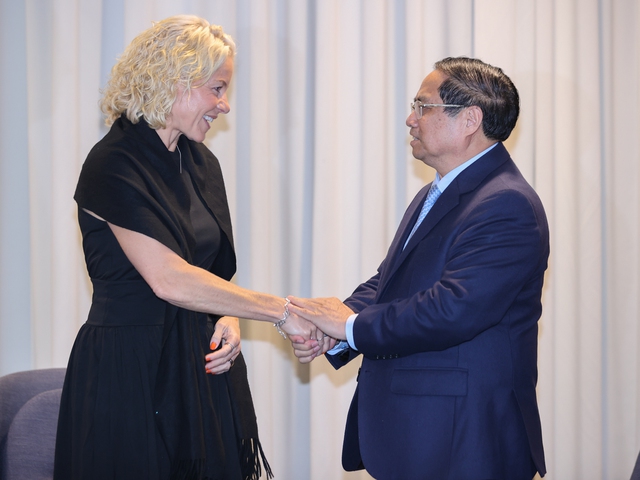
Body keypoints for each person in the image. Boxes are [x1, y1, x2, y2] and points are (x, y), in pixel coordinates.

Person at [54, 15, 323, 480]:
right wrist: (281, 311)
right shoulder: (112, 163)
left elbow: (213, 273)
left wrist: (229, 319)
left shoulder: (201, 162)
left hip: (200, 369)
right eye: (217, 88)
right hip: (130, 370)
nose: (224, 105)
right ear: (175, 81)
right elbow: (170, 279)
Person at [288, 57, 549, 479]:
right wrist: (334, 329)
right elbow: (391, 281)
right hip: (423, 435)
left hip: (464, 440)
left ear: (470, 119)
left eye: (423, 106)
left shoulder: (506, 203)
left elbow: (453, 309)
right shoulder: (437, 192)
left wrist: (350, 326)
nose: (411, 119)